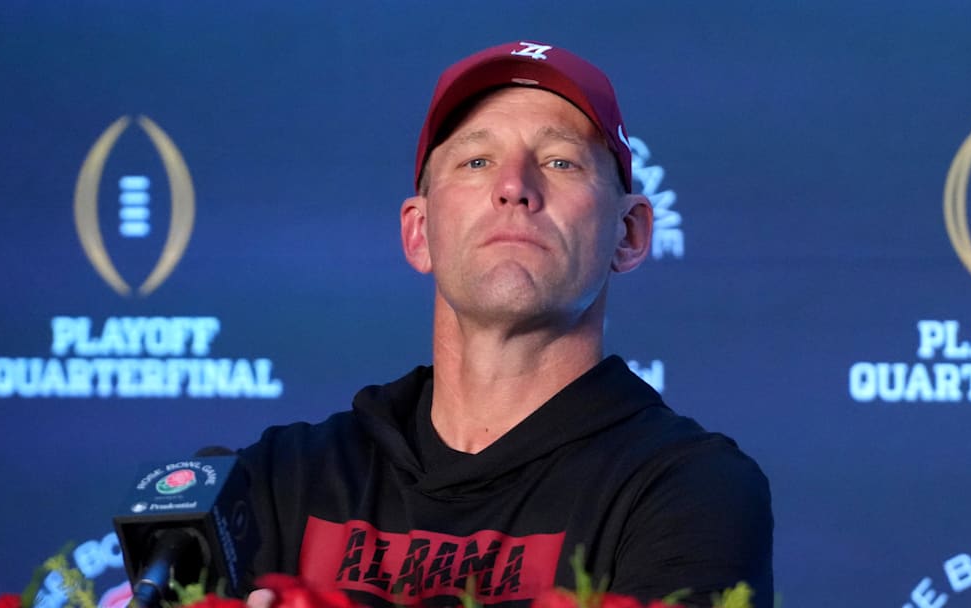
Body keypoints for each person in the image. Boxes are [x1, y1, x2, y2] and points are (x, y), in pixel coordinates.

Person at [241, 41, 773, 608]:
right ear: (419, 232)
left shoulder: (690, 488)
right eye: (476, 161)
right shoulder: (277, 481)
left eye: (560, 162)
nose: (515, 186)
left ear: (631, 233)